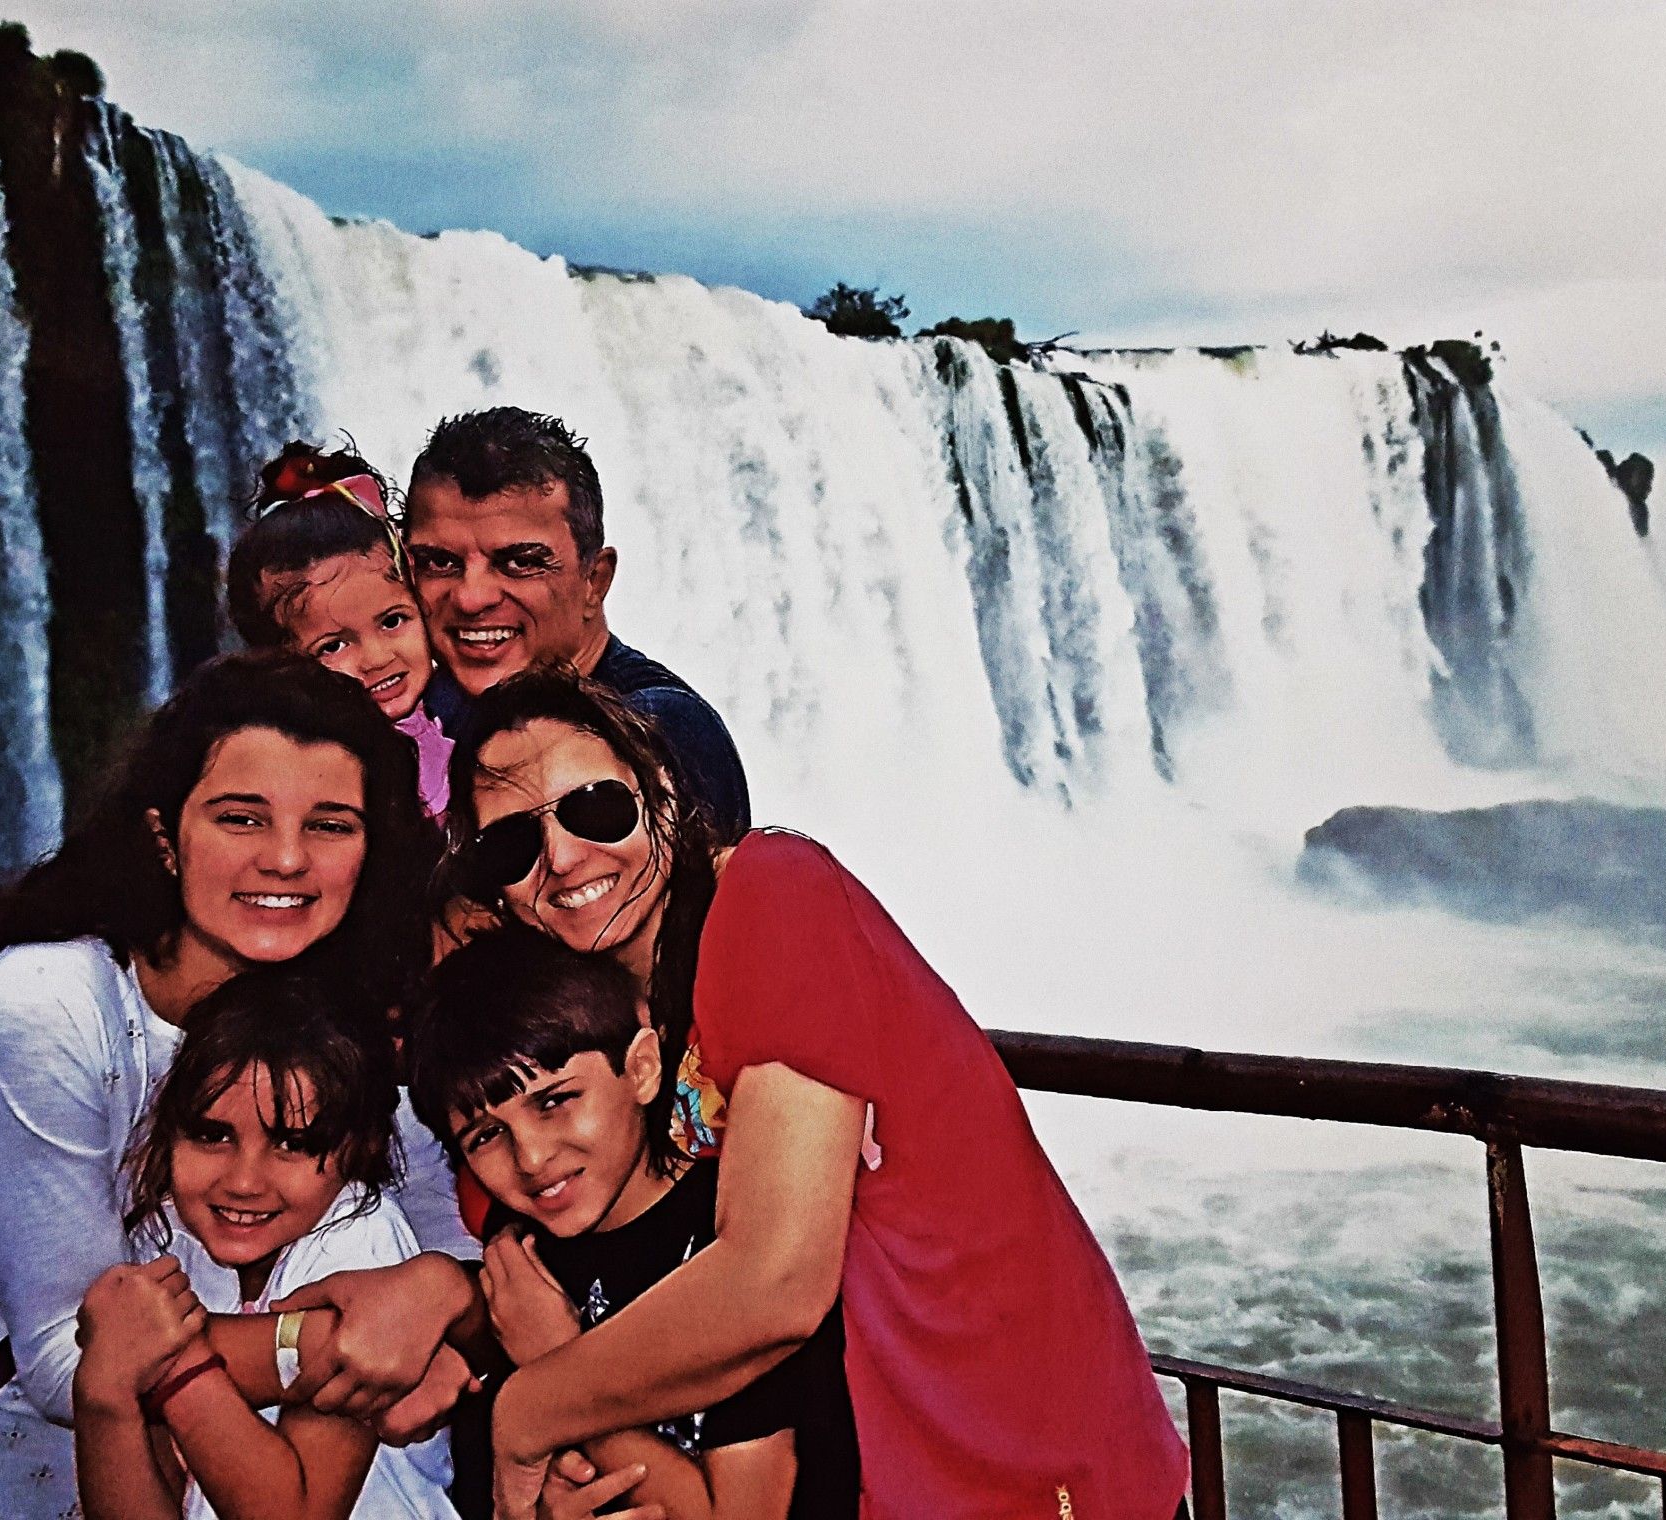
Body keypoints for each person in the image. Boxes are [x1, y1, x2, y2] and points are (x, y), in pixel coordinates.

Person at [438, 668, 1190, 1520]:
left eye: (595, 807)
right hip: (864, 1459)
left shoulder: (774, 894)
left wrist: (533, 1409)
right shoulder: (607, 1015)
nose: (564, 858)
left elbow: (775, 1283)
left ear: (663, 795)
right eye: (511, 846)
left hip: (1012, 1438)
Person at [0, 653, 467, 1520]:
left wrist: (441, 1293)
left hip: (192, 1483)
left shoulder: (336, 1025)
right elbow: (72, 1359)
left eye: (330, 825)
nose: (286, 859)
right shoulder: (49, 1004)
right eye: (241, 818)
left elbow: (452, 1246)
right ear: (164, 836)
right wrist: (337, 1346)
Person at [409, 925, 858, 1520]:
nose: (532, 1158)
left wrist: (556, 1367)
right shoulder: (521, 1258)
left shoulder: (730, 1238)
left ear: (642, 1068)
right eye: (486, 1135)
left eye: (555, 1100)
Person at [73, 968, 458, 1520]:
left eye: (293, 1144)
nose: (244, 1182)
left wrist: (175, 1355)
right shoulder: (169, 1237)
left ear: (364, 1147)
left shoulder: (359, 1236)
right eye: (212, 1135)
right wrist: (104, 1400)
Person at [403, 407, 750, 840]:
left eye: (521, 563)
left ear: (594, 581)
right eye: (439, 562)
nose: (471, 598)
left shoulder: (660, 730)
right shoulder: (417, 703)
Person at [228, 441, 452, 820]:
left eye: (392, 621)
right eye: (333, 646)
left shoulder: (462, 712)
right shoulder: (306, 775)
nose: (377, 658)